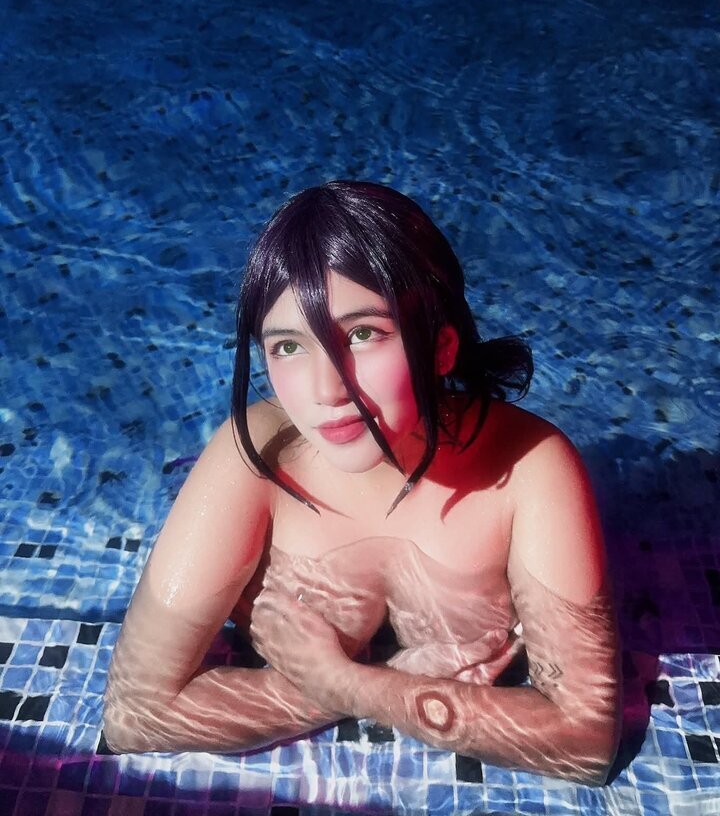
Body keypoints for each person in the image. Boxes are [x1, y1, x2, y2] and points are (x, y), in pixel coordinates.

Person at [103, 181, 622, 786]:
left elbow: (587, 741)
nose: (326, 389)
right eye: (289, 346)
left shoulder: (529, 470)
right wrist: (372, 686)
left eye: (362, 334)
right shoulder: (257, 456)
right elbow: (134, 715)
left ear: (441, 346)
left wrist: (347, 681)